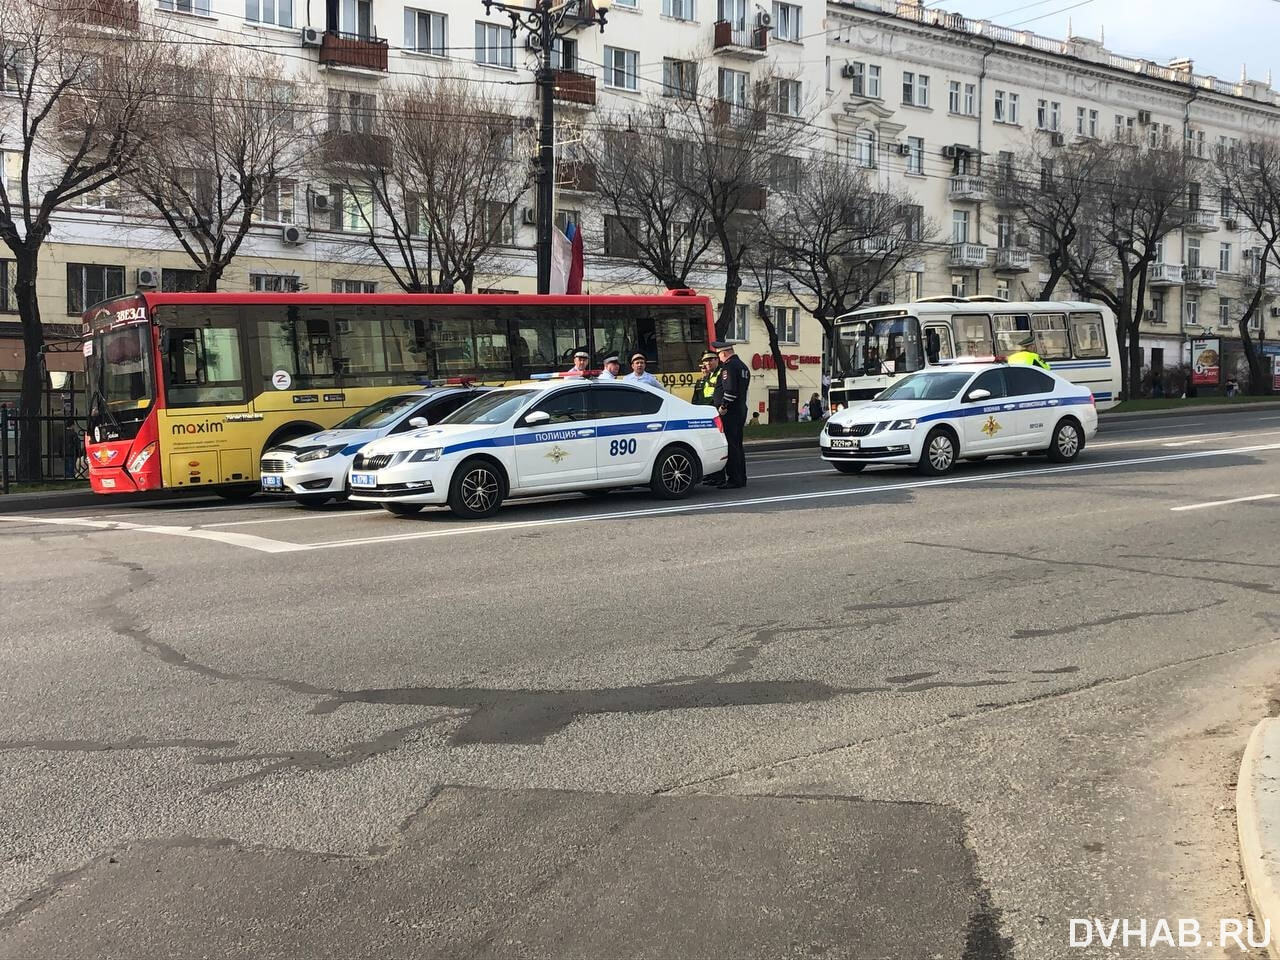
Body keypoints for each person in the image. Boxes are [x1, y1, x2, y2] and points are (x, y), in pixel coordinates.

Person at [712, 339, 750, 488]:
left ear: (725, 353)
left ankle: (735, 479)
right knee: (737, 445)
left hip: (730, 412)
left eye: (720, 355)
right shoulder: (742, 366)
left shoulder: (729, 367)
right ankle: (741, 477)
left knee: (731, 446)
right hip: (740, 409)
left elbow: (731, 391)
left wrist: (723, 406)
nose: (720, 359)